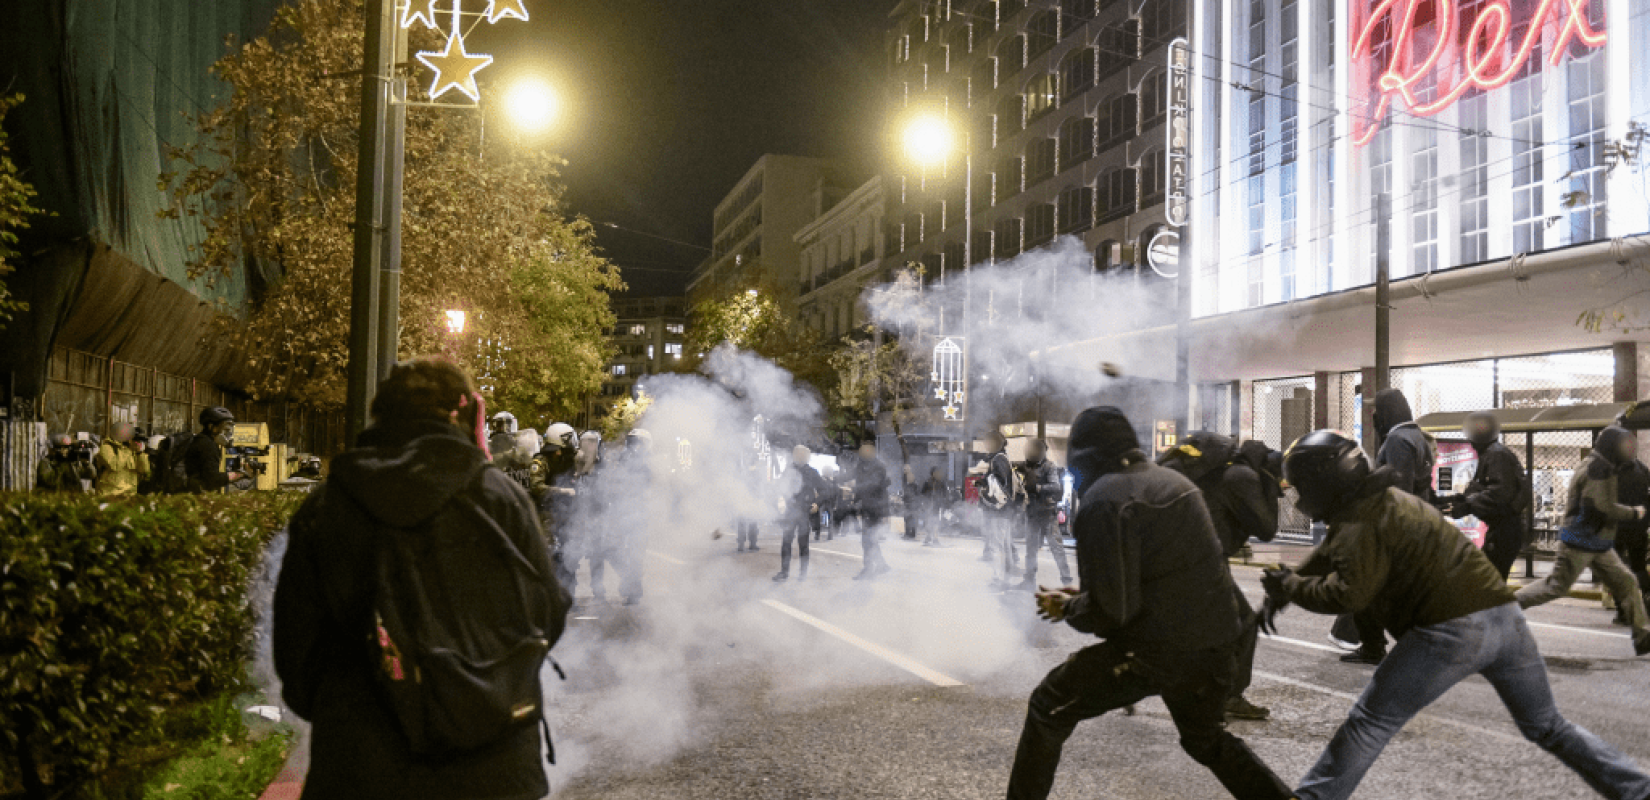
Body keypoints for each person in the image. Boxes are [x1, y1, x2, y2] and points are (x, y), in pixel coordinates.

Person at [1260, 430, 1650, 800]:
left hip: (1449, 631)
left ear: (1321, 483)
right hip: (1505, 619)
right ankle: (1636, 790)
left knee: (1370, 722)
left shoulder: (1358, 522)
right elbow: (1329, 551)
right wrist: (1289, 583)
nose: (1297, 496)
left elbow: (1348, 594)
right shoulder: (1385, 500)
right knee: (1548, 725)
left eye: (1299, 487)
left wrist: (1292, 587)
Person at [273, 356, 569, 800]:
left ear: (381, 414)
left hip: (360, 765)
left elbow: (296, 653)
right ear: (468, 415)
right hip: (492, 766)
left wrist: (352, 706)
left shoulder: (328, 506)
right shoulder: (499, 499)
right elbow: (547, 612)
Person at [1008, 407, 1294, 800]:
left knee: (1048, 706)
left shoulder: (1105, 499)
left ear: (1083, 452)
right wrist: (1086, 597)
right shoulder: (1176, 484)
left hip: (1159, 651)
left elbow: (1111, 613)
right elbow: (1156, 578)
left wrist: (1070, 608)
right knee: (1204, 740)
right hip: (1217, 645)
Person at [1158, 432, 1282, 722]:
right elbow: (1267, 529)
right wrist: (1271, 486)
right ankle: (1225, 697)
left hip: (1191, 555)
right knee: (1243, 624)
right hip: (1200, 560)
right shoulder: (1244, 478)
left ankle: (1211, 692)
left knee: (1201, 629)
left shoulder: (1229, 472)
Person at [1514, 426, 1650, 655]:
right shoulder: (1597, 469)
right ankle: (1500, 606)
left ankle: (1643, 636)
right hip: (1580, 542)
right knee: (1555, 587)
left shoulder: (1600, 465)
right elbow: (1601, 508)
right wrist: (1634, 513)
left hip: (1597, 542)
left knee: (1627, 581)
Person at [1329, 388, 1435, 665]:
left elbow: (1397, 485)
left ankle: (1375, 647)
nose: (1375, 417)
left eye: (1378, 411)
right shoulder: (1418, 437)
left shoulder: (1398, 439)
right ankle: (1380, 645)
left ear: (1388, 412)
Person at [1439, 412, 1529, 580]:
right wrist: (1456, 501)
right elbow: (1479, 490)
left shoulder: (1496, 455)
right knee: (1490, 579)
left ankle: (1503, 606)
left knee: (1488, 579)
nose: (1470, 443)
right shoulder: (1493, 453)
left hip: (1504, 529)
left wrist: (1467, 505)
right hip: (1503, 528)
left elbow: (1499, 493)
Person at [1017, 440, 1072, 592]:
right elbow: (1014, 467)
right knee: (1031, 549)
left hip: (1047, 513)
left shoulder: (1049, 466)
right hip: (1032, 512)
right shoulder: (1026, 464)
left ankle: (1066, 580)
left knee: (1056, 547)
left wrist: (1037, 487)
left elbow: (1055, 486)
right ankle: (1028, 580)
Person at [775, 445, 824, 582]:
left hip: (804, 512)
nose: (798, 456)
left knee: (803, 544)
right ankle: (784, 572)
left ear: (806, 456)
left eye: (802, 454)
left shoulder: (812, 473)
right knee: (786, 542)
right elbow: (779, 487)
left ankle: (803, 574)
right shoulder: (788, 471)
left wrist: (817, 503)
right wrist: (780, 499)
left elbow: (824, 490)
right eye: (796, 453)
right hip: (789, 512)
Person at [1613, 441, 1650, 624]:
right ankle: (1646, 604)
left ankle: (1623, 610)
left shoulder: (1610, 470)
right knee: (1639, 566)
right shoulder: (1642, 469)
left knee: (1617, 569)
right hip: (1638, 527)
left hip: (1616, 528)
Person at [981, 431, 1023, 590]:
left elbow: (1000, 485)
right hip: (1006, 510)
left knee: (997, 545)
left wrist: (984, 486)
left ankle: (999, 579)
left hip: (1000, 510)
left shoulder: (998, 460)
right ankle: (1006, 577)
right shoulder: (1002, 458)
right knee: (1004, 544)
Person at [845, 441, 892, 580]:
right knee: (871, 539)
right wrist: (834, 480)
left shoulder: (878, 466)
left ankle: (868, 569)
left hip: (876, 509)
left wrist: (854, 489)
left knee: (867, 540)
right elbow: (850, 475)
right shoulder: (861, 466)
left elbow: (875, 485)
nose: (862, 453)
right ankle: (882, 565)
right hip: (867, 508)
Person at [184, 407, 243, 494]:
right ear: (211, 427)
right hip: (196, 496)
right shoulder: (207, 446)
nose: (227, 435)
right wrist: (242, 474)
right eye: (224, 430)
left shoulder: (201, 440)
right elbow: (213, 479)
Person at [94, 423, 151, 497]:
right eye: (136, 440)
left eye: (140, 441)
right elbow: (115, 466)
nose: (138, 443)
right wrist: (127, 449)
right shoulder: (107, 448)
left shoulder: (134, 453)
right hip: (109, 495)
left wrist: (140, 454)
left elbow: (144, 470)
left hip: (129, 496)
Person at [920, 467, 950, 547]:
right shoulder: (927, 482)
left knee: (935, 522)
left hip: (937, 506)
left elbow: (945, 494)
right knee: (929, 522)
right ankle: (929, 537)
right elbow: (922, 494)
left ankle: (934, 538)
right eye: (936, 472)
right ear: (932, 473)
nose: (938, 474)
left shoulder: (941, 483)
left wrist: (945, 504)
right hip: (928, 506)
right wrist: (924, 503)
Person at [900, 464, 921, 541]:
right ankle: (907, 534)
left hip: (913, 504)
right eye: (904, 469)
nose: (904, 471)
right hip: (908, 503)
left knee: (912, 518)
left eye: (906, 469)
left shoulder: (914, 483)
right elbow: (905, 491)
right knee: (907, 518)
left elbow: (917, 493)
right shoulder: (904, 479)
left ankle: (912, 534)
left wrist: (915, 502)